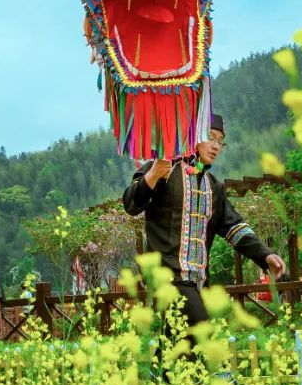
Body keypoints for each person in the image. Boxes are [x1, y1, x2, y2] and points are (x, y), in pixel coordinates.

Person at [122, 114, 286, 355]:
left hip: (197, 281)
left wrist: (265, 256)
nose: (216, 146)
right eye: (210, 137)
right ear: (193, 137)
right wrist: (154, 173)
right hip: (167, 277)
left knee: (181, 350)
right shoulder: (164, 168)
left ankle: (158, 378)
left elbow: (234, 227)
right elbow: (131, 204)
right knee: (202, 333)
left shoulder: (213, 186)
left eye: (220, 141)